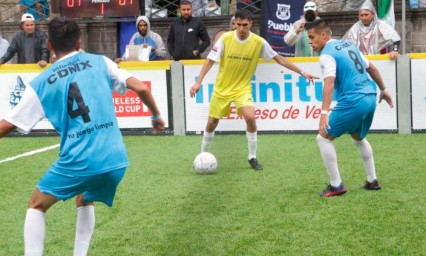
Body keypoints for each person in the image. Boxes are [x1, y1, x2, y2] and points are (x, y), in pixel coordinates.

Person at [0, 17, 165, 255]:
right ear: (79, 41)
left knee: (36, 205)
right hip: (115, 158)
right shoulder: (100, 61)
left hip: (80, 159)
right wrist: (156, 115)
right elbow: (141, 87)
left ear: (48, 44)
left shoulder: (42, 82)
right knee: (84, 197)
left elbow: (7, 125)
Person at [190, 10, 318, 171]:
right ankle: (203, 156)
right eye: (238, 25)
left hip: (242, 89)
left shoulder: (258, 42)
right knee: (211, 122)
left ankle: (252, 157)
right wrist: (198, 82)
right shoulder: (225, 39)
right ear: (234, 24)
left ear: (251, 24)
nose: (241, 28)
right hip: (222, 88)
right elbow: (209, 61)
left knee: (250, 117)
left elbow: (279, 58)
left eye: (245, 25)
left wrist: (302, 72)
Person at [305, 19, 394, 197]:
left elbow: (329, 83)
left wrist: (324, 113)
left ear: (323, 36)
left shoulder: (326, 54)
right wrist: (384, 90)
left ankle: (336, 185)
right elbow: (373, 68)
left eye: (311, 37)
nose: (309, 42)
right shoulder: (348, 45)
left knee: (323, 139)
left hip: (354, 100)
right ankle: (372, 180)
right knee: (358, 138)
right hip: (370, 96)